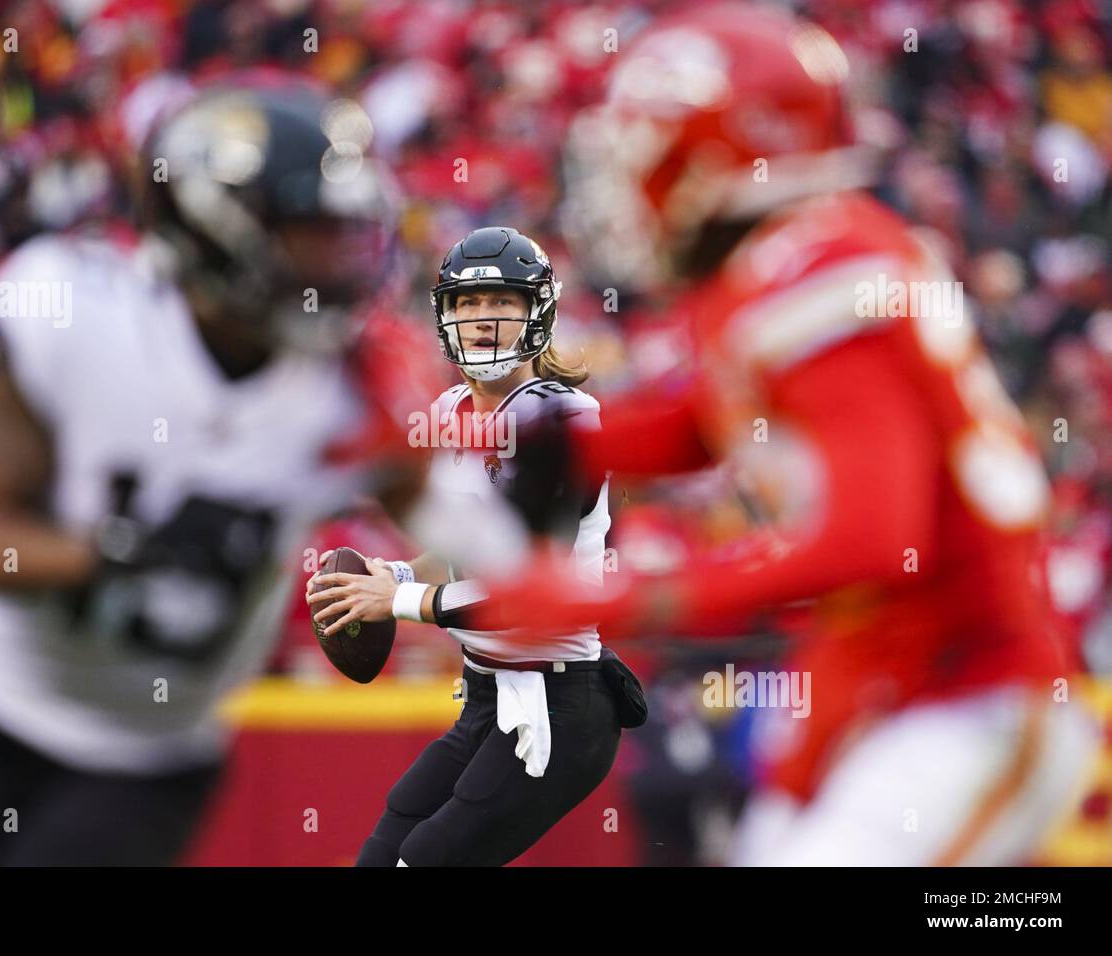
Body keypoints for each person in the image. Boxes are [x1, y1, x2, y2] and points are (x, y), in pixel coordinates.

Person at [468, 6, 1100, 865]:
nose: (626, 181)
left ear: (721, 150)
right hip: (877, 684)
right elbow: (708, 422)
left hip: (967, 693)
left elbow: (873, 539)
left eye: (645, 149)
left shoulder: (817, 271)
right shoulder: (783, 268)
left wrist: (621, 597)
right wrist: (551, 443)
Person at [0, 81, 436, 866]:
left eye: (344, 230)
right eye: (312, 230)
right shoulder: (87, 323)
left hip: (154, 758)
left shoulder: (352, 391)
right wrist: (117, 553)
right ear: (221, 225)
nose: (338, 257)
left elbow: (472, 530)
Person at [307, 227, 626, 866]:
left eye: (500, 302)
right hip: (487, 695)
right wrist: (393, 571)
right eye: (466, 304)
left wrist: (396, 599)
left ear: (536, 311)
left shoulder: (566, 424)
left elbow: (527, 597)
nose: (482, 319)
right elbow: (465, 551)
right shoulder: (448, 408)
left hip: (559, 703)